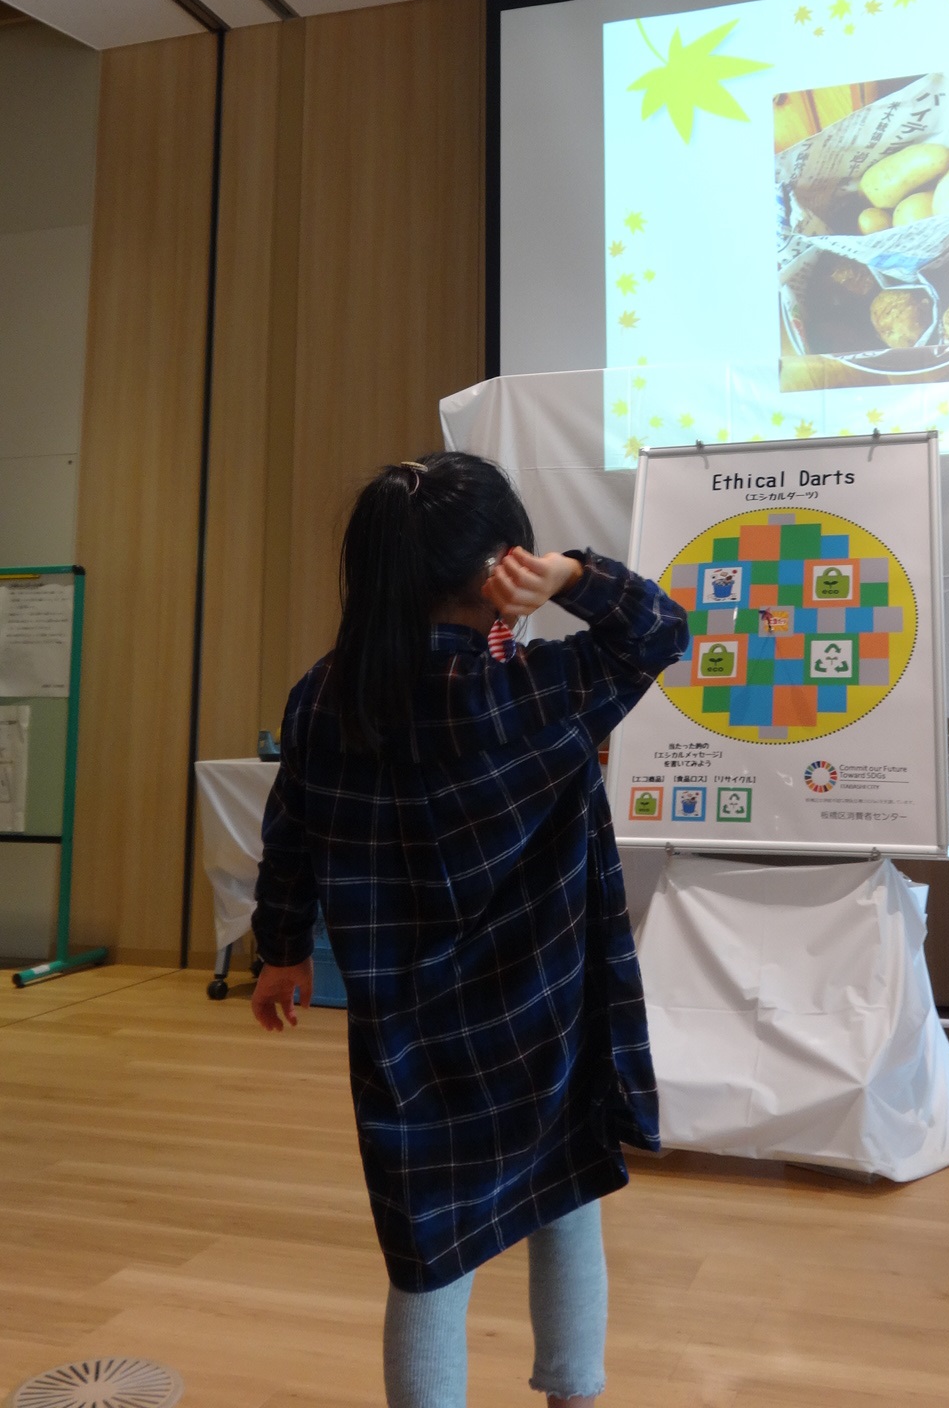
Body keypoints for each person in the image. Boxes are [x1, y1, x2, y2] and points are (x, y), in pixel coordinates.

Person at [250, 451, 687, 1408]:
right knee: (566, 1200)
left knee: (428, 1253)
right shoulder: (535, 690)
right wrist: (573, 575)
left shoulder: (323, 696)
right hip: (541, 1016)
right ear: (501, 568)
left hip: (406, 1032)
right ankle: (573, 1395)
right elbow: (660, 626)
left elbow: (290, 832)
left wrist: (280, 950)